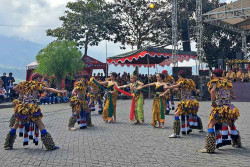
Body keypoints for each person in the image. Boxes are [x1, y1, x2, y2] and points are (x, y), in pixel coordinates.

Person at [4, 73, 66, 150]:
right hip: (32, 108)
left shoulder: (25, 83)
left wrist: (22, 91)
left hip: (22, 108)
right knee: (40, 125)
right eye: (40, 78)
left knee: (16, 124)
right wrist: (60, 91)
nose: (41, 79)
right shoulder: (37, 85)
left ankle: (8, 145)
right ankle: (50, 145)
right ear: (37, 78)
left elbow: (15, 88)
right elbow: (49, 89)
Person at [199, 69, 241, 153]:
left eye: (213, 74)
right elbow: (232, 93)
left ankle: (209, 148)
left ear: (214, 75)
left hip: (220, 108)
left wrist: (213, 101)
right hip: (230, 108)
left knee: (210, 124)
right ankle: (237, 142)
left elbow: (213, 90)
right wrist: (232, 96)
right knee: (230, 123)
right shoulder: (227, 81)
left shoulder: (215, 82)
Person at [161, 70, 202, 138]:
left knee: (176, 114)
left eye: (178, 76)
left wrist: (168, 87)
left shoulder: (182, 81)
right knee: (186, 114)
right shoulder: (190, 81)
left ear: (180, 76)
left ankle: (176, 133)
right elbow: (193, 89)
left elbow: (177, 85)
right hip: (191, 101)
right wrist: (197, 90)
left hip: (185, 102)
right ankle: (187, 129)